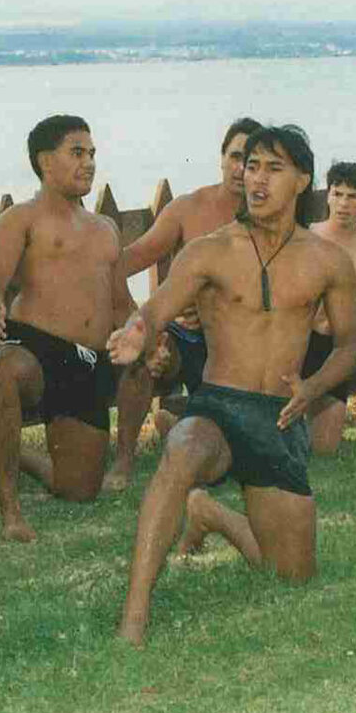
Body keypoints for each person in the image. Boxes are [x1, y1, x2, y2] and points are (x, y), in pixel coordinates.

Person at [106, 125, 356, 646]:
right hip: (220, 406)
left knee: (292, 577)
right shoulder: (210, 251)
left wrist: (313, 388)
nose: (257, 179)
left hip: (280, 418)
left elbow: (349, 346)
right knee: (183, 449)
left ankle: (211, 514)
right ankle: (134, 616)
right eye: (251, 166)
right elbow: (155, 309)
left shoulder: (328, 260)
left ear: (301, 181)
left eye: (273, 169)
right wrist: (137, 333)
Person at [0, 115, 133, 542]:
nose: (89, 163)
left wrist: (144, 331)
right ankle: (11, 513)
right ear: (46, 162)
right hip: (35, 346)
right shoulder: (21, 218)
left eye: (92, 154)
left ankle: (15, 458)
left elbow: (122, 303)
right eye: (77, 153)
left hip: (87, 360)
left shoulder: (105, 228)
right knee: (1, 369)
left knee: (79, 490)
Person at [105, 117, 260, 489]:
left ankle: (180, 427)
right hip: (182, 336)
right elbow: (123, 264)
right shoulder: (188, 209)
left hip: (236, 341)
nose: (241, 169)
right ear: (221, 158)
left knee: (235, 453)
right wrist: (142, 326)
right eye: (236, 157)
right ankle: (124, 460)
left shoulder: (268, 217)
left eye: (252, 162)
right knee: (142, 361)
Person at [303, 161, 356, 455]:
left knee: (324, 450)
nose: (343, 203)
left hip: (338, 346)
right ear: (327, 196)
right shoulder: (306, 234)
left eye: (352, 196)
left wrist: (346, 327)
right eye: (337, 194)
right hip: (297, 339)